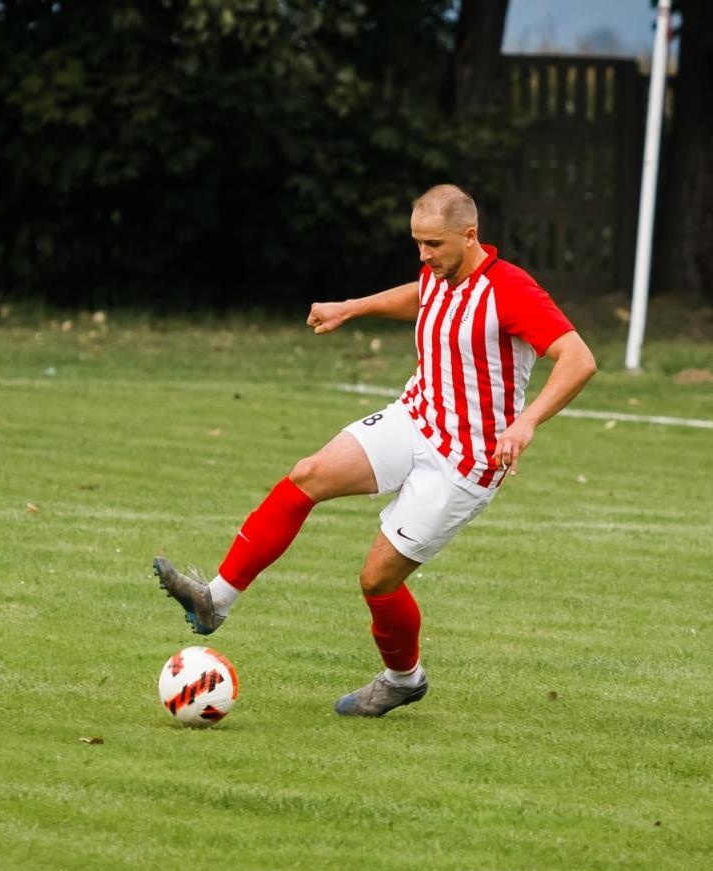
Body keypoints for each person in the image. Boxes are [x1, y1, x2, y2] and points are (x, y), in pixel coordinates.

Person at [153, 184, 596, 716]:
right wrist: (352, 307)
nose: (423, 256)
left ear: (470, 236)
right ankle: (214, 600)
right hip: (416, 417)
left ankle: (403, 679)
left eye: (432, 244)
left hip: (464, 462)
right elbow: (419, 295)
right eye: (417, 244)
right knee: (308, 473)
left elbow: (577, 357)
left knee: (377, 580)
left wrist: (525, 424)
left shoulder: (510, 290)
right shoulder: (440, 274)